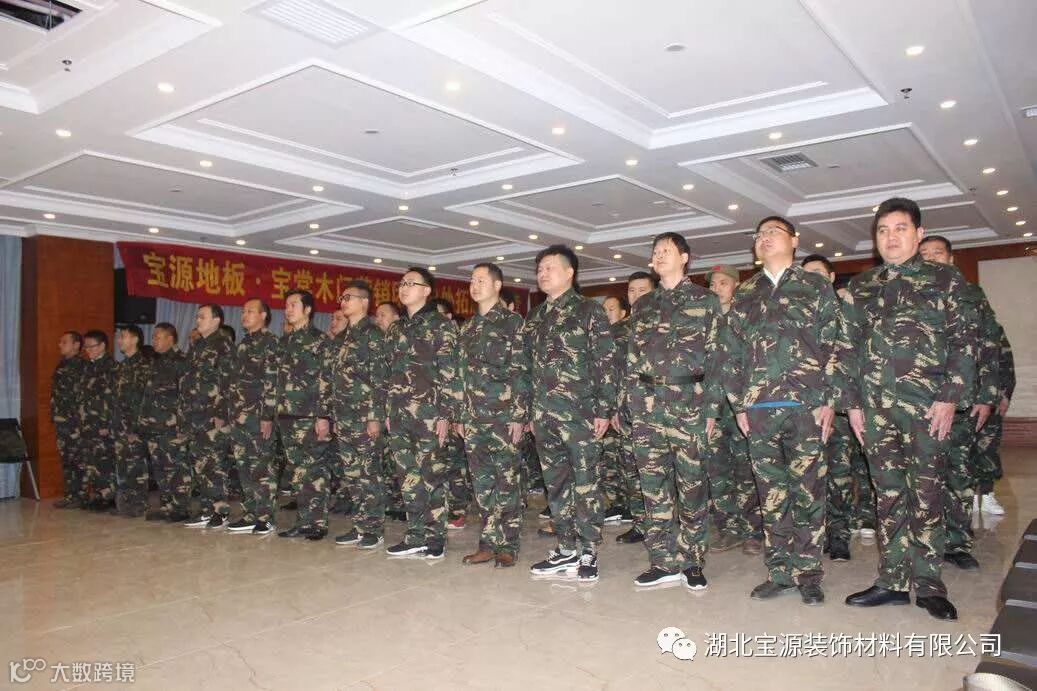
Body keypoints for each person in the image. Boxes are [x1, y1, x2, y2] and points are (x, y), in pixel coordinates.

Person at [843, 197, 976, 621]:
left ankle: (930, 583)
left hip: (927, 408)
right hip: (875, 409)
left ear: (919, 234)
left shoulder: (945, 280)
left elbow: (965, 341)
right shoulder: (862, 287)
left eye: (900, 228)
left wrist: (950, 396)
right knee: (888, 495)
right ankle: (893, 581)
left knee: (926, 494)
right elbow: (847, 349)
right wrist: (853, 405)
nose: (891, 237)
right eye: (883, 230)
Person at [723, 217, 841, 606]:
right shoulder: (745, 292)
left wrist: (829, 399)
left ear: (794, 240)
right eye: (759, 235)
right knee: (771, 495)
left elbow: (835, 344)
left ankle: (808, 573)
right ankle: (779, 572)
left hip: (806, 406)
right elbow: (731, 353)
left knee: (808, 492)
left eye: (773, 232)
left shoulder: (815, 286)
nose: (764, 238)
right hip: (759, 409)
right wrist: (739, 404)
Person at [625, 234, 720, 589]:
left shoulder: (705, 300)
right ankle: (663, 560)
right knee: (653, 486)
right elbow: (632, 358)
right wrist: (630, 401)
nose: (659, 256)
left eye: (666, 251)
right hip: (647, 405)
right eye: (655, 252)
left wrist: (711, 410)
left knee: (692, 485)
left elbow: (717, 357)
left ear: (684, 257)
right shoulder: (643, 305)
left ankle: (692, 560)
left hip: (689, 403)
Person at [525, 245, 615, 582]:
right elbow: (527, 369)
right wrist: (528, 412)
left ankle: (588, 550)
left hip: (581, 414)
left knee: (586, 483)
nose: (542, 274)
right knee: (556, 484)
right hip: (544, 415)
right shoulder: (535, 317)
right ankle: (565, 548)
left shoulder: (589, 310)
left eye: (549, 267)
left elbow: (605, 361)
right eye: (539, 269)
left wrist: (604, 408)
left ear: (569, 272)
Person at [918, 235, 1001, 570]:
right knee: (922, 476)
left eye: (937, 253)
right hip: (919, 399)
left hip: (960, 400)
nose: (930, 258)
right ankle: (923, 541)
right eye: (924, 254)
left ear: (951, 259)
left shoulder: (970, 294)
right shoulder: (912, 292)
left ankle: (957, 543)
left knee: (957, 472)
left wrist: (987, 395)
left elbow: (989, 345)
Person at [455, 263, 530, 568]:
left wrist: (519, 415)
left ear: (497, 286)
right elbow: (460, 376)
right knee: (482, 484)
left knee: (507, 482)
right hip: (473, 419)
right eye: (472, 281)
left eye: (481, 281)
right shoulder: (467, 328)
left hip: (503, 418)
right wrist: (460, 415)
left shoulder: (513, 323)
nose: (474, 286)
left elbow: (523, 371)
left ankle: (508, 545)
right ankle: (487, 543)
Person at [384, 268, 461, 559]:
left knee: (432, 476)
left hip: (429, 415)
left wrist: (446, 414)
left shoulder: (441, 325)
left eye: (411, 283)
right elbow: (389, 373)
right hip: (399, 413)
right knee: (408, 478)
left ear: (427, 290)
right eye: (401, 283)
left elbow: (451, 372)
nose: (403, 288)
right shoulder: (396, 328)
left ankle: (435, 538)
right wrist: (388, 409)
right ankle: (415, 535)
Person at [800, 254, 871, 563]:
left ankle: (839, 534)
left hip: (844, 408)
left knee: (840, 474)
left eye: (818, 273)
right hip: (807, 408)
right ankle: (814, 536)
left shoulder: (849, 309)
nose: (812, 280)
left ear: (830, 277)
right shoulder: (799, 313)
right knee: (811, 477)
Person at [702, 265, 765, 556]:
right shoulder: (703, 321)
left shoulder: (747, 318)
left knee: (746, 469)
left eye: (723, 283)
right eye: (712, 284)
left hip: (741, 406)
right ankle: (728, 528)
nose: (716, 288)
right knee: (717, 471)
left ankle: (752, 530)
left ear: (737, 286)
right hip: (712, 408)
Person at [330, 281, 389, 550]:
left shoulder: (372, 334)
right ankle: (360, 524)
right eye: (342, 298)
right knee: (352, 475)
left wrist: (375, 416)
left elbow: (380, 378)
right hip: (344, 416)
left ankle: (373, 529)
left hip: (364, 417)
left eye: (348, 298)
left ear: (364, 302)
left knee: (368, 474)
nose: (343, 302)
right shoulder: (344, 336)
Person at [275, 290, 334, 540]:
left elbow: (326, 380)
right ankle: (303, 520)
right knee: (298, 472)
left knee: (314, 470)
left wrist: (323, 416)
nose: (288, 310)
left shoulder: (319, 341)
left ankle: (317, 523)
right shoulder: (285, 342)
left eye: (293, 305)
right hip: (287, 415)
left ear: (307, 310)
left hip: (310, 416)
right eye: (286, 305)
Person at [225, 299, 281, 535]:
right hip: (238, 417)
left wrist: (267, 416)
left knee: (262, 467)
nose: (244, 315)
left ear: (263, 316)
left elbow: (272, 382)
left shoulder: (271, 343)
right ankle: (251, 512)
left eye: (250, 311)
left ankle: (265, 517)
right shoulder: (243, 344)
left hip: (258, 417)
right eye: (243, 311)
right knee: (244, 467)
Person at [179, 304, 234, 528]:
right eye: (197, 316)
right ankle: (207, 509)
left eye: (202, 316)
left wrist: (221, 412)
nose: (198, 320)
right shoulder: (198, 345)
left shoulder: (223, 344)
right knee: (200, 464)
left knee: (214, 464)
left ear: (216, 320)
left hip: (213, 415)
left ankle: (221, 511)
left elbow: (228, 382)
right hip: (195, 415)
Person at [612, 271, 656, 546]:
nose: (636, 295)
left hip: (658, 410)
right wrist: (614, 408)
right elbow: (611, 373)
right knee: (632, 469)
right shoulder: (618, 330)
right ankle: (641, 523)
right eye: (631, 290)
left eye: (642, 290)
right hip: (627, 410)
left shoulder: (662, 323)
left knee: (658, 472)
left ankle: (662, 524)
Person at [140, 323, 188, 521]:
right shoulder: (156, 362)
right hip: (153, 425)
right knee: (159, 469)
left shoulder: (181, 362)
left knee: (175, 468)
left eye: (158, 337)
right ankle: (167, 506)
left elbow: (186, 396)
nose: (154, 341)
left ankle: (180, 508)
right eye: (153, 337)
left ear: (170, 338)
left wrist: (183, 425)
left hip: (172, 427)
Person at [433, 298, 474, 528]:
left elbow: (461, 382)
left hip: (455, 413)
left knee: (454, 465)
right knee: (438, 464)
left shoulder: (460, 343)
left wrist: (456, 416)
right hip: (433, 412)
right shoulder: (429, 343)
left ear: (449, 318)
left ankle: (457, 511)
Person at [110, 325, 151, 517]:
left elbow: (143, 400)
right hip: (120, 425)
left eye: (123, 337)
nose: (119, 340)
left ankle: (139, 504)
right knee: (123, 466)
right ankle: (126, 504)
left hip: (134, 427)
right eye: (119, 337)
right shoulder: (122, 366)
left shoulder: (143, 366)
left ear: (135, 340)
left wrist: (136, 428)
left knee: (136, 466)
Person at [974, 330, 1014, 515]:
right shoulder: (953, 321)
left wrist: (1005, 395)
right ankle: (967, 498)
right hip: (961, 400)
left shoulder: (992, 328)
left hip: (991, 399)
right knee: (960, 452)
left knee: (988, 448)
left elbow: (1006, 363)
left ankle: (986, 495)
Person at [600, 294, 633, 524]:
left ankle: (631, 507)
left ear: (623, 313)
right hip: (606, 408)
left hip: (623, 409)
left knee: (626, 461)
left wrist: (616, 408)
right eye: (604, 309)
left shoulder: (624, 335)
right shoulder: (601, 337)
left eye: (611, 308)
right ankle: (617, 504)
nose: (606, 313)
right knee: (609, 461)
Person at [78, 330, 117, 511]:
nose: (87, 350)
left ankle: (108, 497)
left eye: (91, 346)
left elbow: (112, 399)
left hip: (102, 423)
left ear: (102, 346)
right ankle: (98, 495)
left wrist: (106, 423)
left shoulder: (111, 367)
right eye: (85, 347)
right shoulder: (88, 367)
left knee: (104, 460)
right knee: (92, 460)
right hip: (88, 421)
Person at [51, 331, 85, 509]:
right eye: (60, 341)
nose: (60, 345)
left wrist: (79, 422)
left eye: (64, 342)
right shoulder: (62, 364)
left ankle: (80, 496)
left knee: (78, 459)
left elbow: (83, 397)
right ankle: (70, 495)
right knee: (66, 459)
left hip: (74, 421)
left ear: (76, 345)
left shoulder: (82, 366)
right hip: (61, 419)